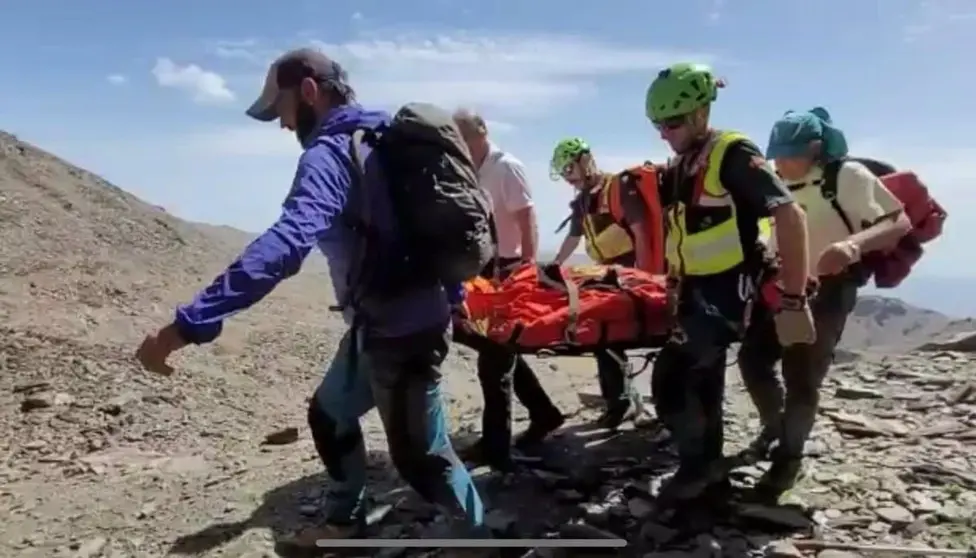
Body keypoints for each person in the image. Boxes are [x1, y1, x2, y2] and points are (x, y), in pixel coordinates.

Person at [134, 48, 487, 544]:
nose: (281, 124)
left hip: (404, 332)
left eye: (281, 109)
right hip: (381, 322)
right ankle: (345, 523)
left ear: (308, 92)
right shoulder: (385, 135)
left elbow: (286, 244)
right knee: (329, 413)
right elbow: (424, 217)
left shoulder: (330, 154)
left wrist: (188, 325)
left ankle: (485, 542)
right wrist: (451, 291)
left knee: (423, 460)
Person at [642, 62, 814, 516]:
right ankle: (706, 474)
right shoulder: (683, 160)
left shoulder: (732, 154)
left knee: (674, 382)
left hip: (724, 296)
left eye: (672, 122)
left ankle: (700, 469)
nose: (664, 132)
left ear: (701, 113)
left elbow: (789, 215)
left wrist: (794, 299)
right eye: (658, 124)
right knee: (702, 386)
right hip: (696, 293)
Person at [737, 107, 911, 500]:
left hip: (832, 286)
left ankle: (788, 460)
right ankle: (775, 428)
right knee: (754, 358)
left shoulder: (847, 176)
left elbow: (898, 222)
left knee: (802, 372)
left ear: (815, 148)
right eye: (776, 155)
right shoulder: (780, 179)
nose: (780, 162)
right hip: (784, 281)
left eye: (789, 154)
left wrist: (852, 246)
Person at [450, 109, 565, 471]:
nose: (460, 147)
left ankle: (496, 447)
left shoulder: (505, 166)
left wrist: (528, 268)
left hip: (509, 267)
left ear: (480, 133)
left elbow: (526, 216)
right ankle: (543, 413)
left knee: (495, 358)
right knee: (497, 349)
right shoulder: (475, 171)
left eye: (463, 139)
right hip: (486, 269)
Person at [550, 137, 661, 429]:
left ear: (585, 160)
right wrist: (553, 267)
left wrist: (648, 279)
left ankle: (666, 405)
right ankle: (619, 403)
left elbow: (641, 232)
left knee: (656, 340)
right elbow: (573, 238)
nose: (568, 177)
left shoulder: (618, 188)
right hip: (609, 277)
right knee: (604, 337)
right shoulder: (583, 201)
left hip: (636, 276)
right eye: (563, 172)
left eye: (570, 169)